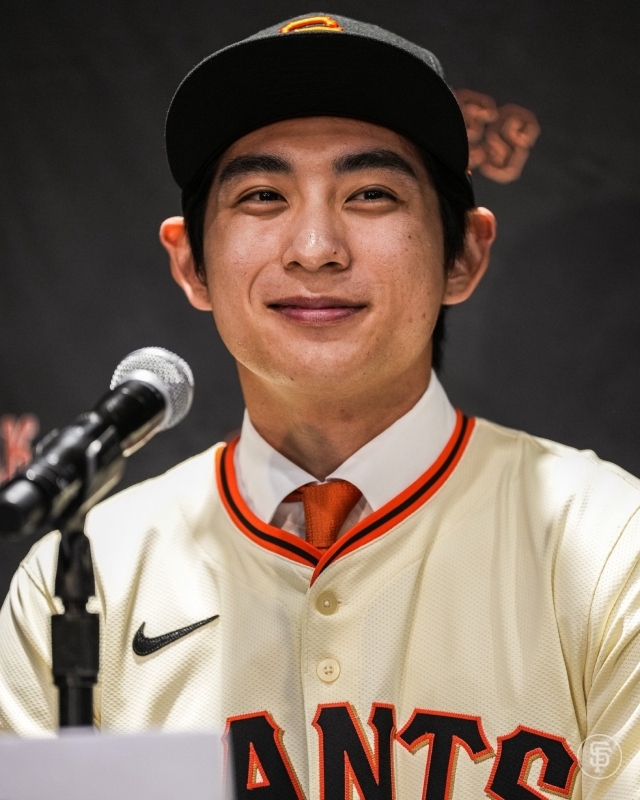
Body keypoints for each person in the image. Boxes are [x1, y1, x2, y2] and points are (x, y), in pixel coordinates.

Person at [0, 13, 639, 799]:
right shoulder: (85, 579)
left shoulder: (610, 548)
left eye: (371, 194)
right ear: (191, 263)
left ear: (464, 254)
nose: (315, 248)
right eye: (263, 195)